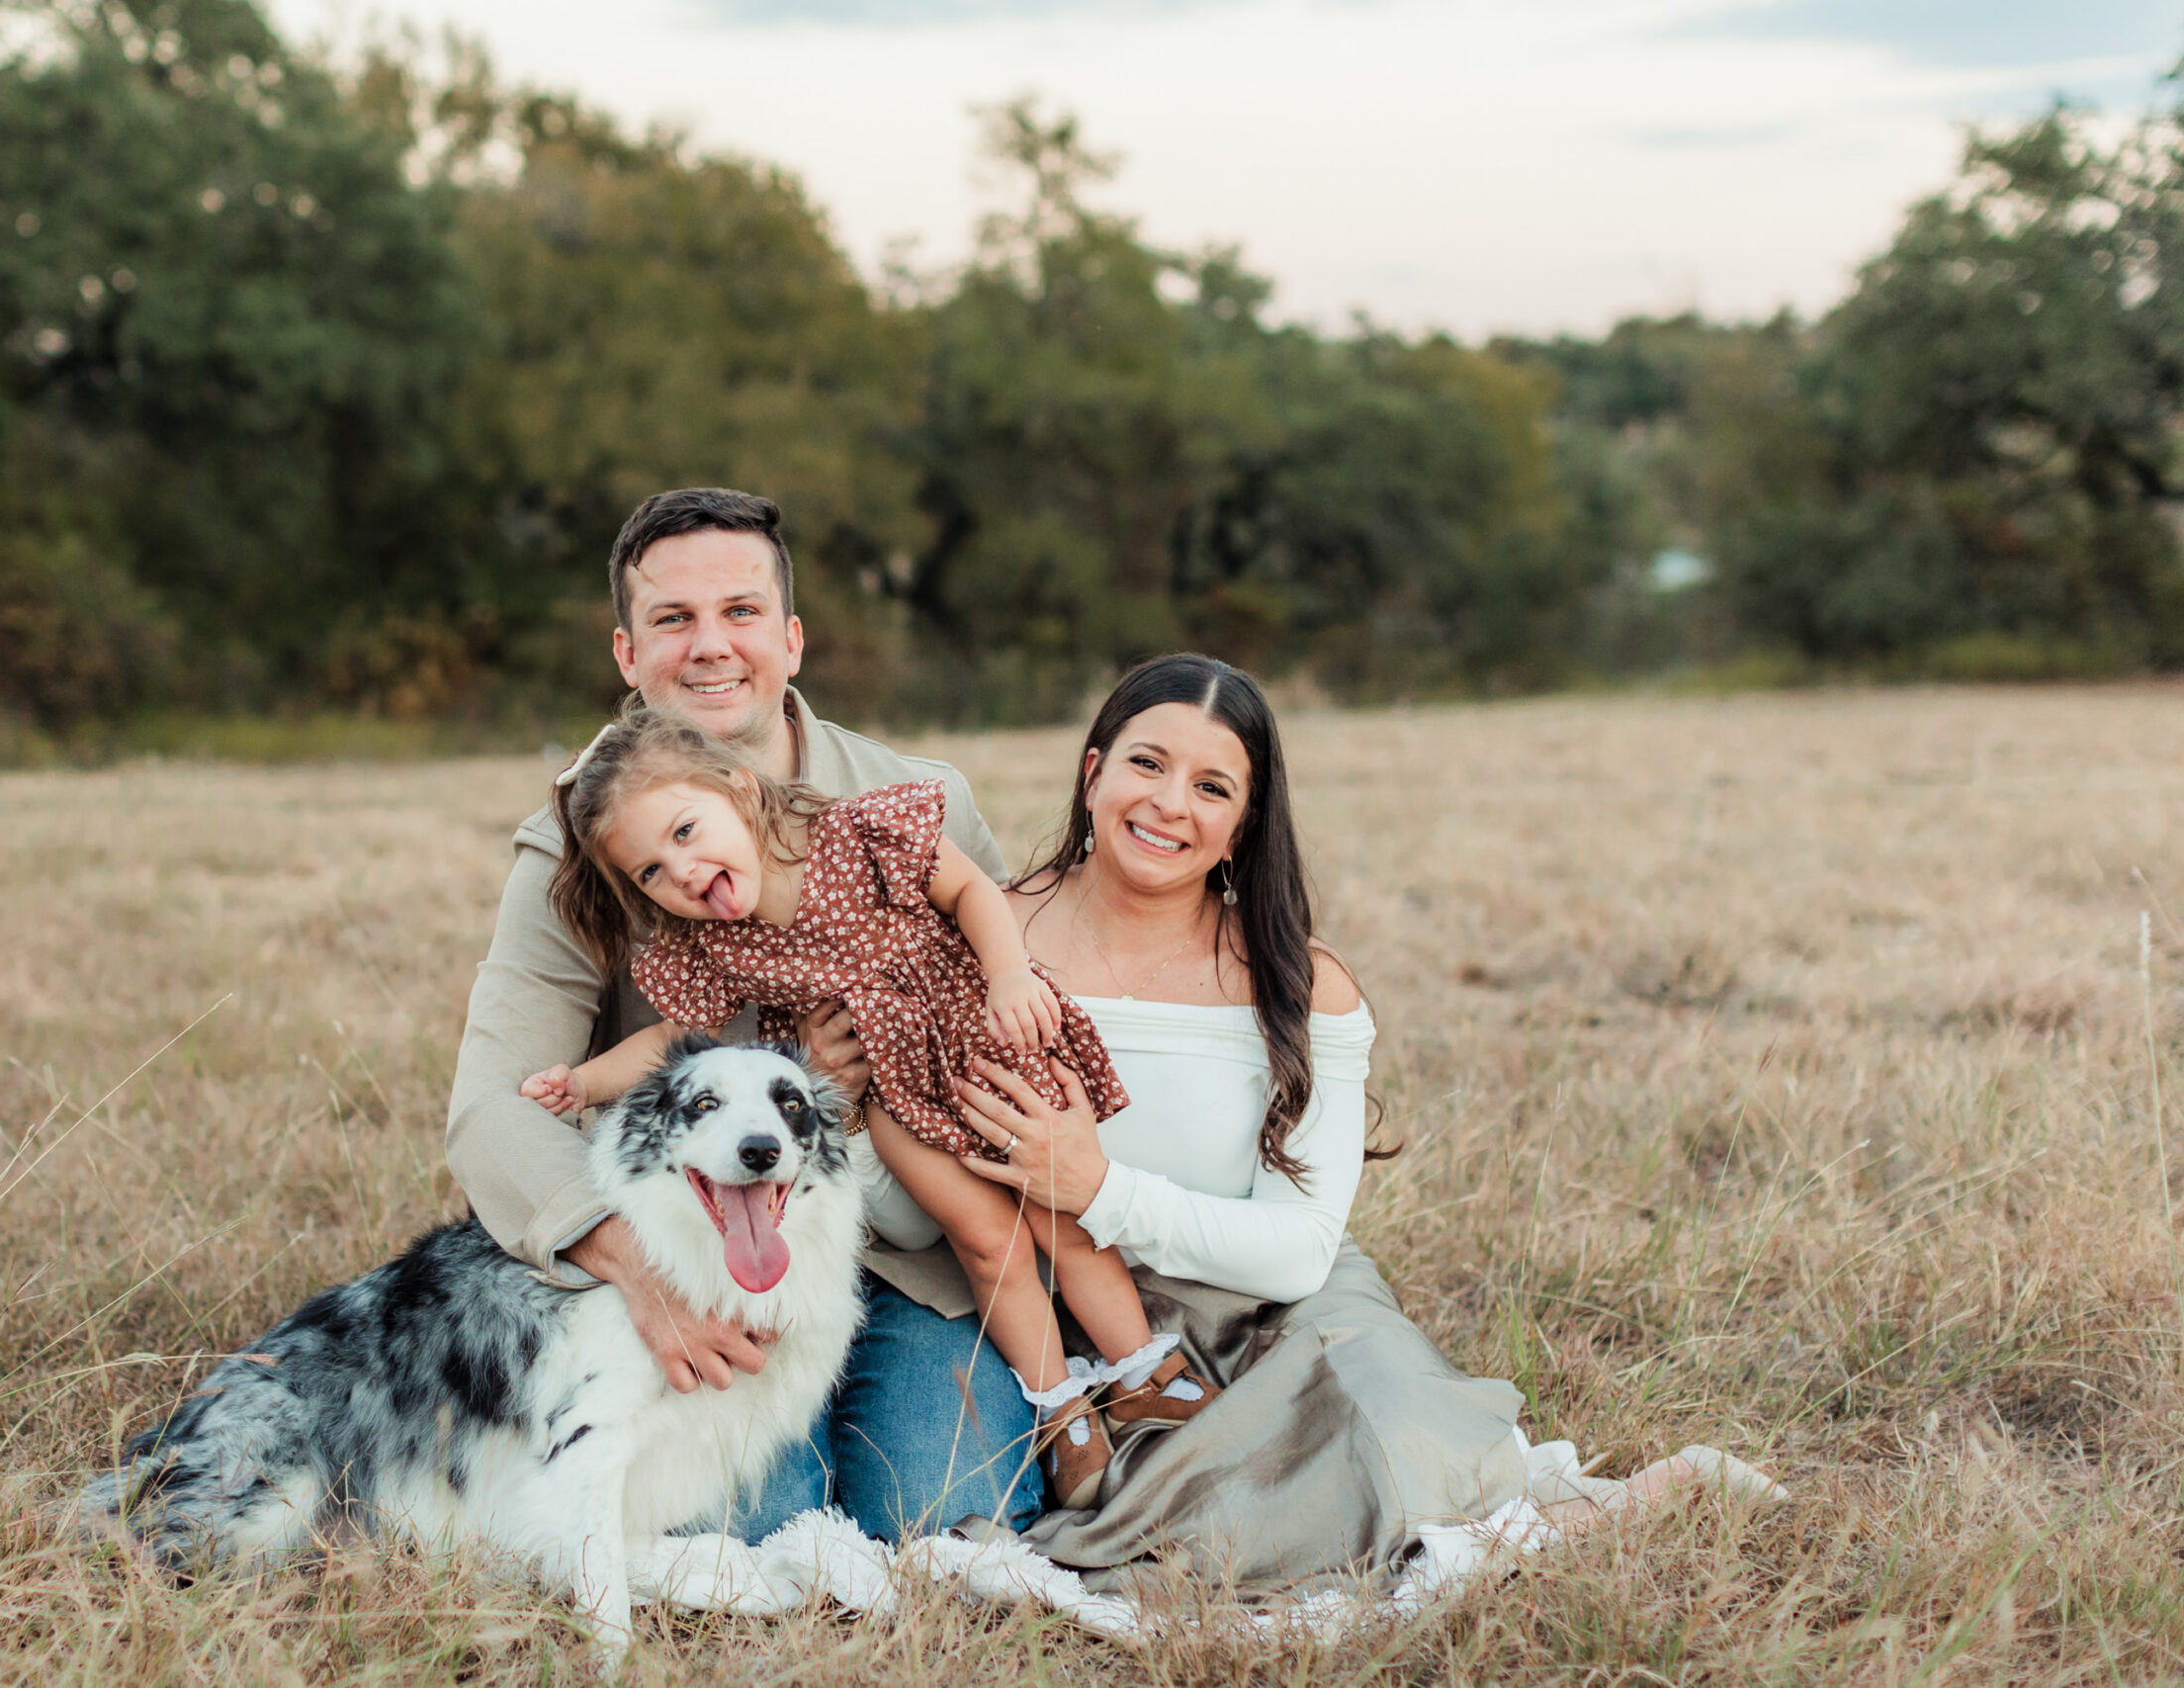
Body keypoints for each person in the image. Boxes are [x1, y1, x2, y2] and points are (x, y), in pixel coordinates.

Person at [857, 651, 1722, 1581]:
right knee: (1174, 1530)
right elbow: (915, 1207)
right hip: (1076, 1318)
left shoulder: (1300, 986)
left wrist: (1098, 1185)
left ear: (1242, 825)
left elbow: (1301, 1250)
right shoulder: (984, 955)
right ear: (1092, 772)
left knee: (1379, 1439)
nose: (1168, 803)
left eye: (1212, 785)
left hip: (1268, 1302)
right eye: (1145, 763)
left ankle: (1542, 1515)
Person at [444, 487, 1045, 1540]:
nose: (710, 647)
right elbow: (492, 1108)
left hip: (913, 1241)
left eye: (740, 613)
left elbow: (1016, 1011)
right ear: (627, 654)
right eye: (672, 620)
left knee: (943, 1512)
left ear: (792, 638)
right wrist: (635, 1268)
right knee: (751, 1527)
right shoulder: (578, 840)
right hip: (706, 1249)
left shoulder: (915, 799)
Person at [521, 706, 1218, 1506]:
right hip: (886, 1093)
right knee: (988, 1236)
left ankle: (1143, 1373)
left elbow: (971, 892)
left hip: (972, 1034)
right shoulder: (713, 944)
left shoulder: (857, 831)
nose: (678, 871)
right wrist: (584, 1082)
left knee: (1053, 1208)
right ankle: (1062, 1412)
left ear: (738, 791)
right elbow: (673, 1041)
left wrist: (1011, 975)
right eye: (649, 871)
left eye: (684, 832)